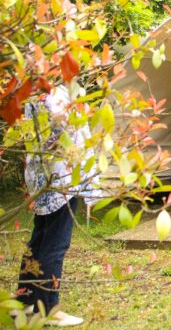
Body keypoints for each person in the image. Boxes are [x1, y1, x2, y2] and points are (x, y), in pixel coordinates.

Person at [17, 85, 96, 327]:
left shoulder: (30, 94)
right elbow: (69, 133)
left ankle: (25, 300)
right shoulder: (58, 95)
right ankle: (49, 308)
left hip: (41, 176)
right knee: (55, 244)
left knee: (40, 239)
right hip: (61, 177)